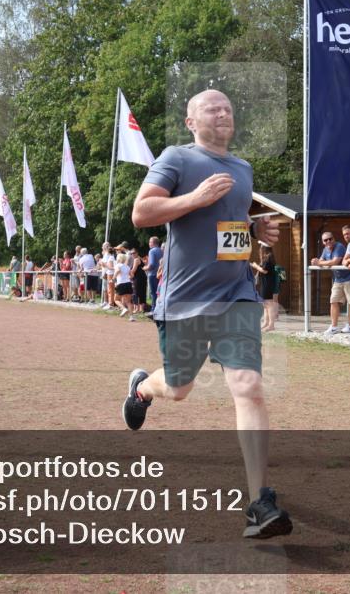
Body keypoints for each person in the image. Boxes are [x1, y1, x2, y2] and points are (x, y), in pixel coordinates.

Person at [122, 89, 292, 539]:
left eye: (228, 108)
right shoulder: (176, 158)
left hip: (236, 294)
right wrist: (193, 198)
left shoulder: (242, 168)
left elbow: (227, 226)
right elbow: (141, 212)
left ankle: (259, 501)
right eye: (212, 108)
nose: (223, 112)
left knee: (249, 386)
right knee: (179, 389)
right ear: (190, 121)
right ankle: (143, 387)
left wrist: (255, 228)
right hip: (185, 299)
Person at [310, 231, 350, 335]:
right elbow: (320, 262)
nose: (328, 241)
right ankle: (334, 327)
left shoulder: (339, 246)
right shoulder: (325, 250)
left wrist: (319, 263)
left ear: (334, 239)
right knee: (333, 301)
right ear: (323, 242)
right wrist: (318, 262)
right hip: (338, 279)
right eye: (326, 240)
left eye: (330, 239)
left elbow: (334, 262)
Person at [250, 243, 278, 332]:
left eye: (261, 247)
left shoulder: (269, 257)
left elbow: (264, 270)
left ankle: (271, 325)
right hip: (265, 283)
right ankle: (266, 323)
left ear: (264, 248)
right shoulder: (266, 258)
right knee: (265, 304)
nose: (260, 249)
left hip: (268, 284)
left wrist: (255, 266)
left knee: (269, 304)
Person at [145, 236, 164, 310]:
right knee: (159, 292)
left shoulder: (152, 251)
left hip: (153, 274)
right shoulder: (161, 250)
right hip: (161, 274)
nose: (149, 243)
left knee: (153, 293)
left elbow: (152, 264)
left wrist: (145, 268)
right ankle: (159, 308)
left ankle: (153, 309)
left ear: (153, 243)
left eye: (150, 242)